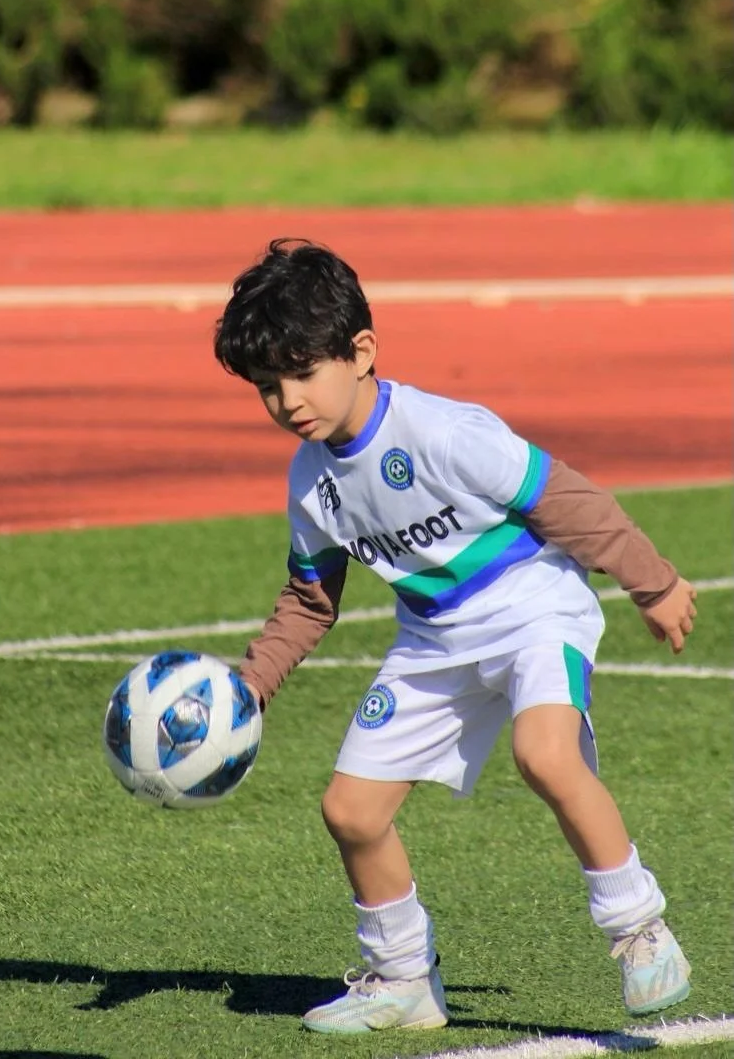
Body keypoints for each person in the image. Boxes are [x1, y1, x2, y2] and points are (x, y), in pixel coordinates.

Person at [213, 237, 697, 1035]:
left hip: (531, 606)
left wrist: (653, 581)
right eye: (267, 386)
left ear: (361, 351)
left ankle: (639, 931)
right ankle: (402, 979)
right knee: (350, 810)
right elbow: (308, 601)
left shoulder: (443, 430)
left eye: (302, 372)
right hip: (432, 638)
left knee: (545, 753)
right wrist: (249, 685)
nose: (287, 399)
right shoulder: (310, 481)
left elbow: (563, 499)